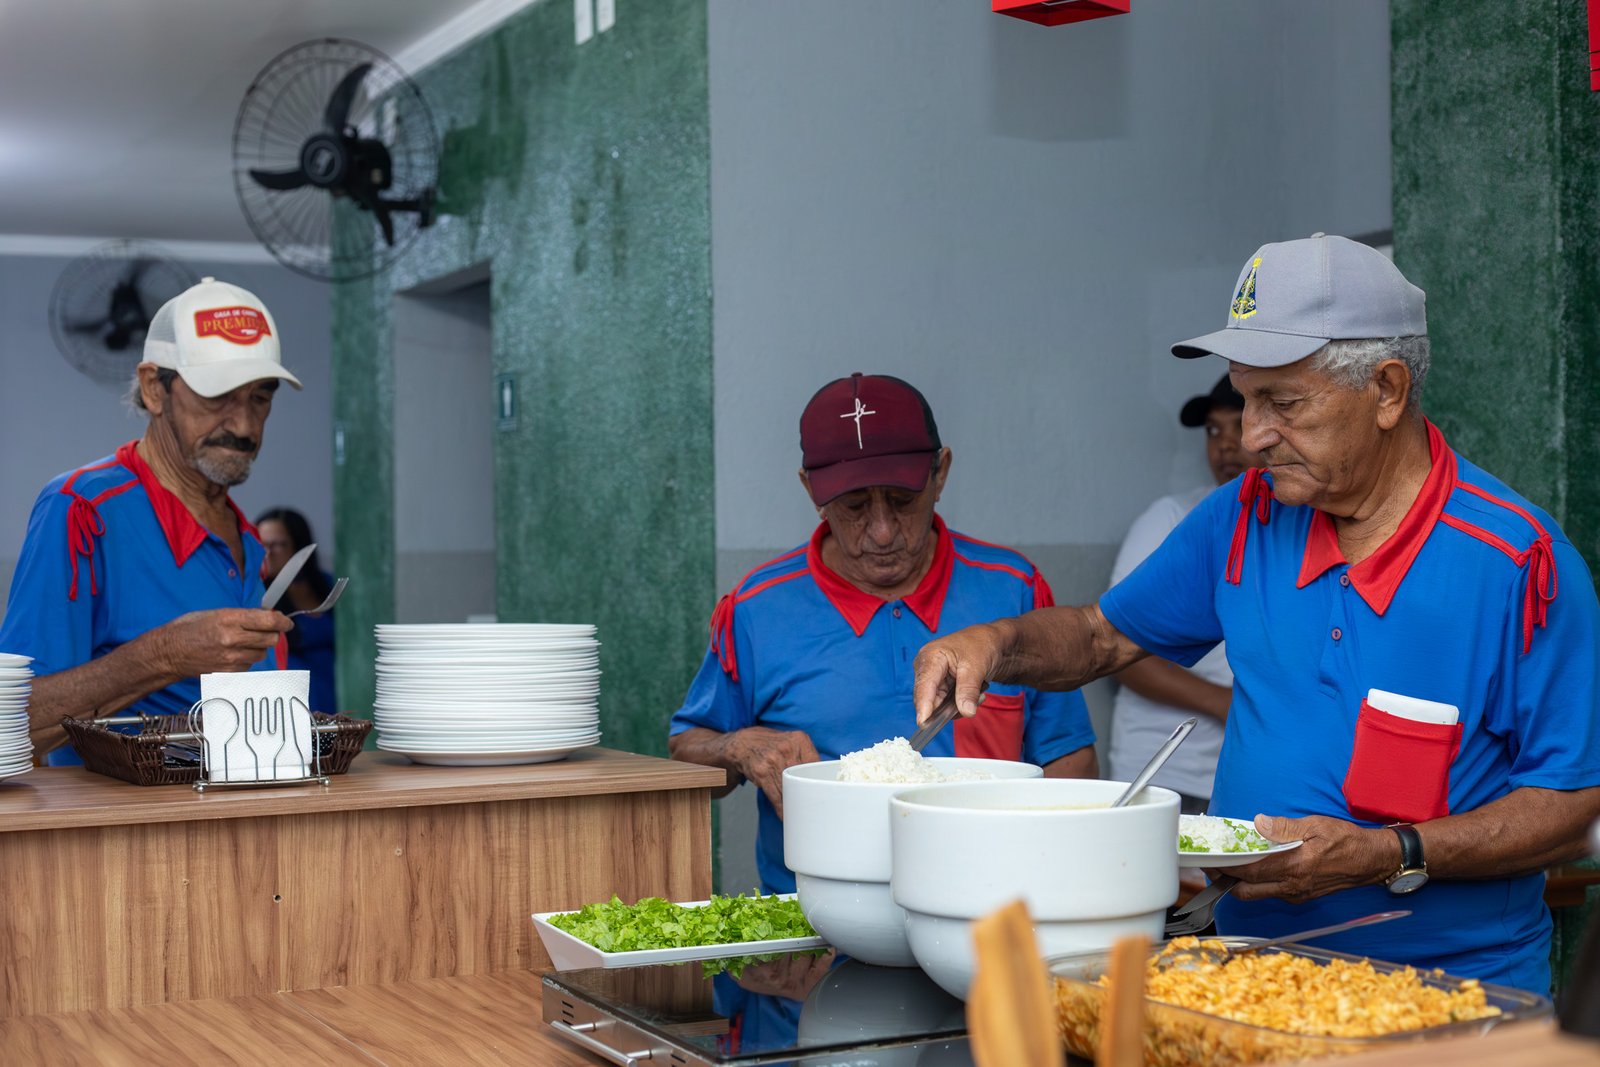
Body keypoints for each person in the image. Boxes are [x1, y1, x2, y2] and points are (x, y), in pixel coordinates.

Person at [912, 235, 1600, 993]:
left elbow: (1573, 804)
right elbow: (1100, 636)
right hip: (1252, 978)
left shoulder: (1519, 564)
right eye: (1245, 398)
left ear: (1387, 390)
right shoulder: (1245, 514)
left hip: (1454, 993)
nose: (1250, 436)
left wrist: (1389, 852)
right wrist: (994, 642)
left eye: (1284, 402)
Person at [669, 373, 1098, 894]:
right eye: (854, 506)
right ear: (811, 490)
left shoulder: (1013, 590)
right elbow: (686, 751)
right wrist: (738, 747)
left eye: (902, 499)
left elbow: (1068, 760)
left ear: (940, 474)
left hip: (987, 902)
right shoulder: (756, 609)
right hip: (818, 913)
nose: (882, 531)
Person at [0, 278, 302, 762]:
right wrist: (163, 655)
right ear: (154, 389)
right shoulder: (82, 509)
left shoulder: (246, 537)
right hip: (120, 815)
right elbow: (15, 723)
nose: (245, 426)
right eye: (217, 395)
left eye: (260, 398)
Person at [1106, 375, 1261, 814]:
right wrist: (1227, 705)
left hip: (1239, 779)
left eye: (1238, 426)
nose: (1224, 445)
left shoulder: (1293, 530)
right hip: (1164, 776)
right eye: (1213, 431)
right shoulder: (1173, 518)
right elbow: (1120, 653)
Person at [255, 507, 337, 714]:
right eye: (262, 544)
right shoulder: (255, 595)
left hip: (333, 690)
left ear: (297, 545)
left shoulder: (325, 585)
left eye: (278, 545)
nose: (268, 553)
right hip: (288, 700)